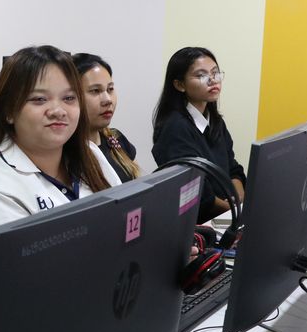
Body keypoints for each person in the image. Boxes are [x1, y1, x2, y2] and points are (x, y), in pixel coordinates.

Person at [0, 45, 122, 332]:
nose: (58, 110)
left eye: (69, 98)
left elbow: (121, 223)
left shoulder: (89, 155)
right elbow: (18, 295)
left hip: (77, 313)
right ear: (9, 110)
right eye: (39, 99)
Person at [151, 47, 245, 224]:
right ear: (180, 85)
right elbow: (196, 194)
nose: (212, 80)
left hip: (225, 216)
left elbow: (233, 169)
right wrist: (235, 211)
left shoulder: (215, 121)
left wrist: (238, 200)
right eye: (201, 75)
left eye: (215, 73)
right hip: (196, 224)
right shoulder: (175, 128)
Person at [72, 53, 141, 182]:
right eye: (95, 91)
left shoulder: (116, 138)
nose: (108, 100)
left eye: (110, 89)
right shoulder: (63, 154)